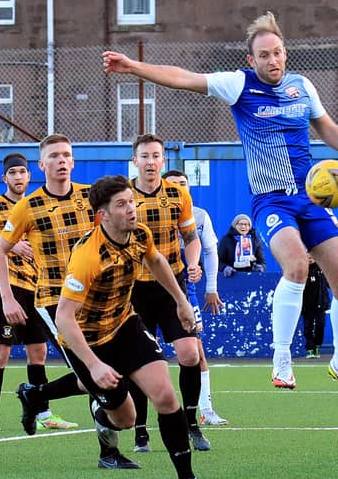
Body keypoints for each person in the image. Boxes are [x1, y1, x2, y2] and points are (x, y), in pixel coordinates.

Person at [102, 11, 338, 406]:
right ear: (251, 60)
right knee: (296, 265)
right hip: (271, 199)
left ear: (285, 53)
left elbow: (331, 131)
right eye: (264, 55)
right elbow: (184, 78)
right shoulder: (239, 85)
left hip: (310, 197)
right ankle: (281, 356)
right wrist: (133, 66)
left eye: (278, 53)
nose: (273, 61)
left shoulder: (302, 86)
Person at [0, 134, 137, 468]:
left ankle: (36, 394)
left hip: (98, 301)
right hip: (53, 302)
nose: (61, 160)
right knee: (94, 372)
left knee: (102, 372)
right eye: (53, 156)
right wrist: (9, 298)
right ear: (41, 165)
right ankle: (108, 452)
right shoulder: (27, 206)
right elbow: (0, 249)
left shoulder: (91, 198)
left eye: (66, 155)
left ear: (73, 162)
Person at [54, 174, 197, 479]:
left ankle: (187, 475)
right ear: (102, 215)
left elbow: (157, 262)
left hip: (124, 325)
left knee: (166, 397)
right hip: (87, 341)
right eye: (122, 204)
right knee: (125, 420)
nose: (132, 209)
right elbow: (64, 318)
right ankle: (94, 407)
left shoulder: (139, 234)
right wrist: (93, 366)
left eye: (131, 201)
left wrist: (181, 301)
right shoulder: (87, 256)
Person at [126, 134, 209, 452]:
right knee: (140, 362)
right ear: (135, 160)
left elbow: (191, 237)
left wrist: (193, 263)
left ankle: (192, 424)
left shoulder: (177, 194)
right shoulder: (123, 195)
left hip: (172, 286)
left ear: (163, 161)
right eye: (144, 156)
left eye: (155, 156)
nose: (150, 162)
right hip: (133, 289)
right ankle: (140, 430)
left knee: (190, 354)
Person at [0, 153, 76, 432]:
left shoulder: (35, 206)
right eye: (12, 173)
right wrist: (11, 246)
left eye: (22, 172)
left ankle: (43, 411)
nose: (18, 177)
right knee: (2, 350)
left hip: (38, 287)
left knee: (38, 350)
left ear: (29, 175)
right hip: (7, 285)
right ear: (4, 178)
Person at [162, 170, 228, 425]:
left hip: (184, 291)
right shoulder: (150, 211)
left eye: (183, 183)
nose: (179, 187)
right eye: (174, 184)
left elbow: (210, 250)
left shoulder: (198, 216)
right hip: (146, 288)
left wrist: (211, 287)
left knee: (196, 349)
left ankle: (205, 409)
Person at [301, 254, 330, 359]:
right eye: (307, 254)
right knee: (308, 327)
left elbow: (329, 283)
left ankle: (317, 345)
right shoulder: (301, 269)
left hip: (320, 303)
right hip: (306, 304)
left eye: (312, 254)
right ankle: (310, 348)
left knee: (320, 325)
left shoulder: (322, 268)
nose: (310, 257)